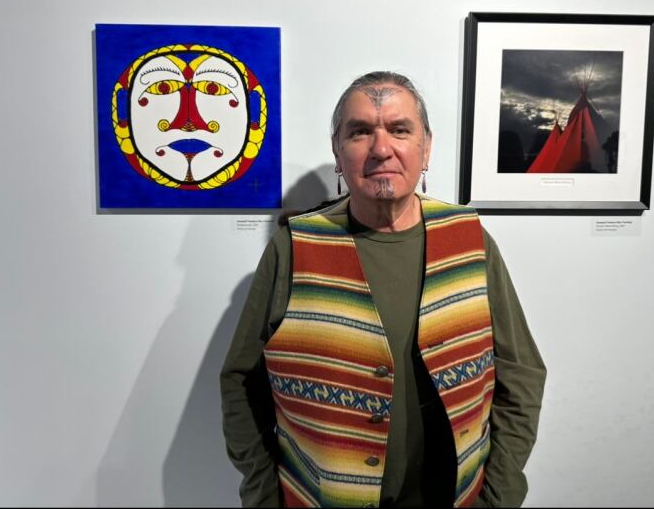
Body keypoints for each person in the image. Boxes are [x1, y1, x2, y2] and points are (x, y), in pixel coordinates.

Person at [220, 71, 546, 508]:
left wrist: (500, 494)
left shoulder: (469, 240)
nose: (381, 148)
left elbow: (521, 373)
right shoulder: (295, 246)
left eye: (399, 130)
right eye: (359, 132)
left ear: (426, 146)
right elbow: (241, 383)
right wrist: (264, 497)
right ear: (337, 150)